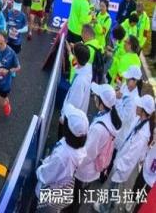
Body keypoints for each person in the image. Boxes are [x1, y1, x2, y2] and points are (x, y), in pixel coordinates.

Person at [95, 95, 155, 213]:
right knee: (115, 187)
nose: (136, 107)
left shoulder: (143, 134)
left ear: (143, 111)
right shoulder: (140, 120)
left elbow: (132, 155)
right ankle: (111, 205)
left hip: (123, 166)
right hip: (121, 160)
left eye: (139, 106)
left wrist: (119, 166)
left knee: (113, 187)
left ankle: (104, 208)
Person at [70, 84, 121, 212]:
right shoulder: (107, 116)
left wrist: (75, 165)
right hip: (93, 170)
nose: (94, 98)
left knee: (75, 199)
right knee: (79, 196)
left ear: (102, 102)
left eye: (96, 96)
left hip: (85, 170)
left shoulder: (99, 129)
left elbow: (89, 154)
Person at [35, 104, 88, 211]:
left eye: (66, 120)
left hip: (50, 193)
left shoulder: (62, 155)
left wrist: (39, 169)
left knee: (43, 209)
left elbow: (45, 176)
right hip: (62, 191)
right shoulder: (80, 147)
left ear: (68, 129)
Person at [0, 33, 20, 125]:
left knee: (0, 103)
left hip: (5, 84)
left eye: (1, 43)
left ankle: (6, 103)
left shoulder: (11, 53)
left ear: (6, 41)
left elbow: (18, 67)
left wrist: (8, 70)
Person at [59, 43, 92, 137]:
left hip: (70, 121)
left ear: (77, 58)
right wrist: (70, 51)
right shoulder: (87, 67)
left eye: (74, 54)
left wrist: (63, 117)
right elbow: (74, 64)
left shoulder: (80, 82)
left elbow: (74, 103)